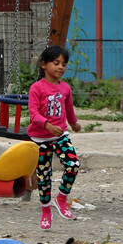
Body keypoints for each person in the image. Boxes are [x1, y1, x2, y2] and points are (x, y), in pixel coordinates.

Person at [27, 44, 81, 231]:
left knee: (73, 165)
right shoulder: (36, 88)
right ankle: (45, 211)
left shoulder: (65, 88)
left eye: (64, 64)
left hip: (60, 136)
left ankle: (61, 198)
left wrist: (73, 123)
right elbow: (33, 114)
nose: (60, 67)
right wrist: (47, 125)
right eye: (56, 63)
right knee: (44, 177)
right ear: (44, 64)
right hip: (40, 138)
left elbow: (69, 110)